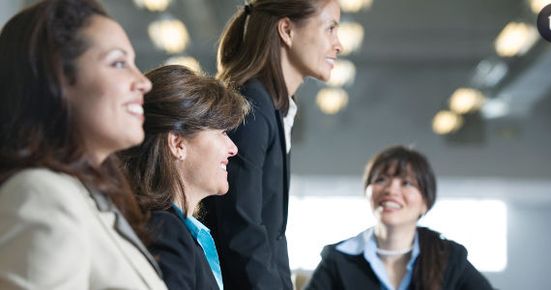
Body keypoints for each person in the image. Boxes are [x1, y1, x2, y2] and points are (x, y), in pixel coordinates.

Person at [0, 0, 167, 289]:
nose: (143, 82)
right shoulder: (41, 194)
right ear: (58, 79)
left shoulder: (87, 198)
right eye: (118, 63)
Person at [201, 1, 343, 289]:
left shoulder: (272, 109)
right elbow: (242, 232)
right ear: (287, 30)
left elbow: (268, 238)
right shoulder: (252, 107)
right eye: (330, 28)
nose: (338, 44)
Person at [119, 65, 250, 290]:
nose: (233, 148)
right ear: (178, 144)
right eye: (222, 133)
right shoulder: (165, 231)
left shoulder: (171, 228)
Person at [305, 146, 494, 290]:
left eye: (407, 183)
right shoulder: (338, 258)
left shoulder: (449, 257)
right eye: (380, 179)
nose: (390, 190)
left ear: (425, 202)